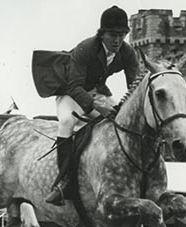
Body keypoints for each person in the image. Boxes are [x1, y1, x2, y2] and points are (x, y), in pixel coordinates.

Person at [32, 5, 140, 206]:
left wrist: (125, 109)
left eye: (122, 35)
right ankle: (64, 184)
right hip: (71, 92)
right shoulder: (86, 48)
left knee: (123, 123)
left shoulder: (127, 53)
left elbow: (135, 87)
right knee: (66, 122)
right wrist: (99, 107)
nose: (117, 40)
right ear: (102, 34)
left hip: (98, 92)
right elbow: (74, 86)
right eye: (112, 35)